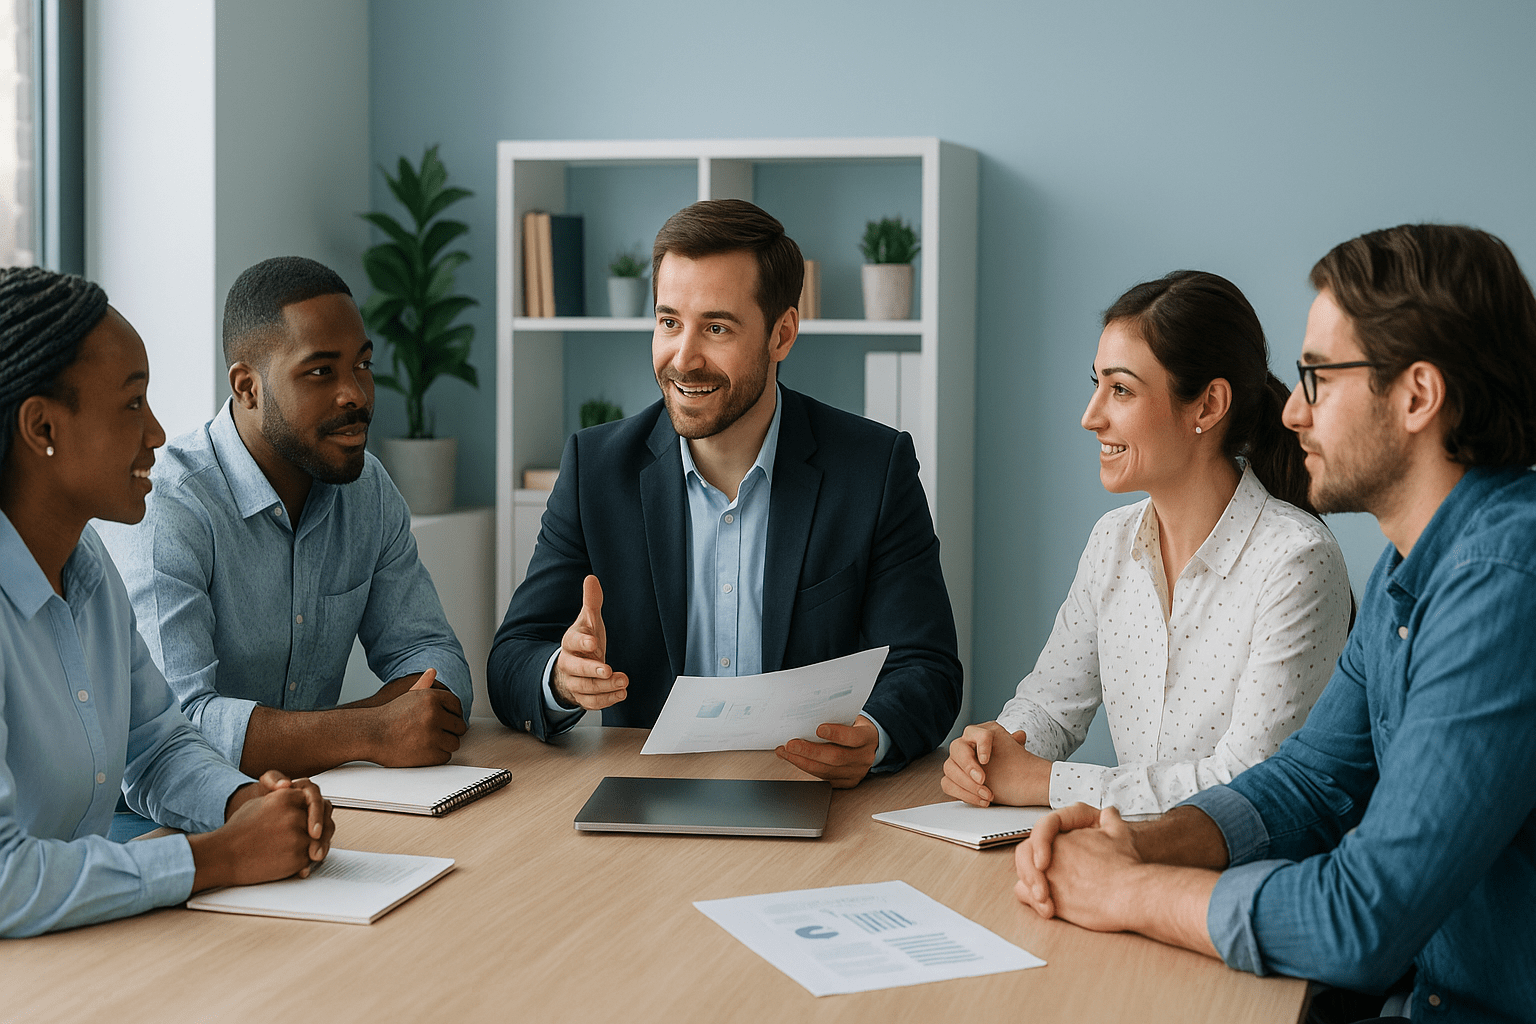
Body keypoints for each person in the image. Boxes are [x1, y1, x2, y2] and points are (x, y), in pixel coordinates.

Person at [1015, 224, 1536, 1023]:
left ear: (1418, 396)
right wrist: (1138, 841)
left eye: (1318, 378)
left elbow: (1362, 916)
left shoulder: (1505, 584)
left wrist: (1132, 889)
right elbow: (1309, 783)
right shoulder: (1408, 571)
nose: (1290, 410)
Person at [487, 199, 961, 786]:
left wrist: (872, 732)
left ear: (781, 333)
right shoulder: (596, 468)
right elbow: (512, 659)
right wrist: (560, 676)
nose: (683, 358)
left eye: (716, 327)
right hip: (649, 797)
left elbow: (927, 665)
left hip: (812, 792)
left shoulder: (873, 468)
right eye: (668, 322)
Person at [0, 267, 334, 936]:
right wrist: (215, 857)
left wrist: (245, 802)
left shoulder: (87, 564)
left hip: (85, 955)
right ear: (42, 427)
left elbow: (154, 744)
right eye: (132, 403)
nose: (156, 432)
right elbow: (6, 881)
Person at [943, 271, 1351, 816]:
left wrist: (1049, 784)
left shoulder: (1296, 561)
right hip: (1127, 860)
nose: (1091, 417)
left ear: (1207, 407)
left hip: (1238, 882)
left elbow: (1249, 783)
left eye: (1121, 390)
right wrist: (994, 749)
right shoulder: (1111, 541)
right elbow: (1051, 706)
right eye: (1097, 384)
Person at [99, 256, 471, 780]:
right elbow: (177, 730)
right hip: (158, 821)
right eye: (321, 372)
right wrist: (372, 731)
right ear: (247, 387)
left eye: (362, 365)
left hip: (320, 794)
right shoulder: (167, 507)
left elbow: (434, 657)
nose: (355, 394)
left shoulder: (368, 490)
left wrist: (352, 735)